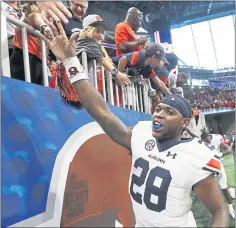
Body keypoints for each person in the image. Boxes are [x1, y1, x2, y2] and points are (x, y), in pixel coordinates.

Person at [40, 21, 229, 227]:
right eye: (158, 109)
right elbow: (102, 112)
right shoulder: (141, 134)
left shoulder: (196, 156)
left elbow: (218, 210)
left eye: (169, 112)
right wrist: (70, 61)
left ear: (184, 123)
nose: (159, 115)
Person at [200, 129, 235, 219]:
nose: (206, 143)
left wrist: (220, 154)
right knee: (210, 191)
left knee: (224, 188)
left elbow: (228, 150)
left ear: (209, 137)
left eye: (207, 141)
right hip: (207, 168)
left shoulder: (216, 139)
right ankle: (213, 211)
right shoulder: (201, 144)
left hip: (217, 165)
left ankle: (231, 208)